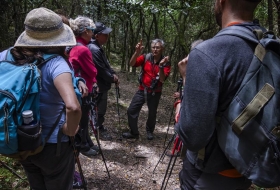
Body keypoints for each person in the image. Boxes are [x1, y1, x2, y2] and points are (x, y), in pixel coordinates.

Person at [176, 0, 262, 189]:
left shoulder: (208, 52)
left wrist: (186, 80)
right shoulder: (268, 48)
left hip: (206, 176)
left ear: (221, 2)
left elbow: (192, 137)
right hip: (248, 171)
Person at [1, 7, 82, 189]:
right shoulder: (56, 63)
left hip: (22, 140)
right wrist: (69, 129)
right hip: (53, 145)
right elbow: (73, 107)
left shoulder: (5, 56)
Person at [123, 39, 171, 140]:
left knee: (152, 113)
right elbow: (132, 63)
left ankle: (149, 131)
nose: (155, 49)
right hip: (142, 89)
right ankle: (134, 132)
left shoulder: (166, 62)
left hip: (155, 92)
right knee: (131, 110)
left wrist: (161, 66)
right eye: (153, 47)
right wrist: (137, 52)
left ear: (162, 48)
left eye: (157, 47)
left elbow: (162, 79)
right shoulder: (146, 57)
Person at [68, 16, 99, 157]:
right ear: (85, 31)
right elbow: (93, 71)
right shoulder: (82, 49)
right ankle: (83, 146)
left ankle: (87, 141)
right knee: (83, 119)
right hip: (83, 90)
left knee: (85, 117)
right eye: (92, 30)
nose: (93, 34)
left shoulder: (75, 45)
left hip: (79, 87)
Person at [88, 22, 119, 141]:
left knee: (100, 108)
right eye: (104, 34)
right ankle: (97, 129)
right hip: (99, 86)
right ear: (97, 35)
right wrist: (112, 78)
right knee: (99, 109)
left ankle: (98, 127)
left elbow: (106, 65)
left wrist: (113, 73)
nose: (107, 37)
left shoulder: (97, 48)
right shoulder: (94, 49)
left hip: (102, 85)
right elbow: (100, 70)